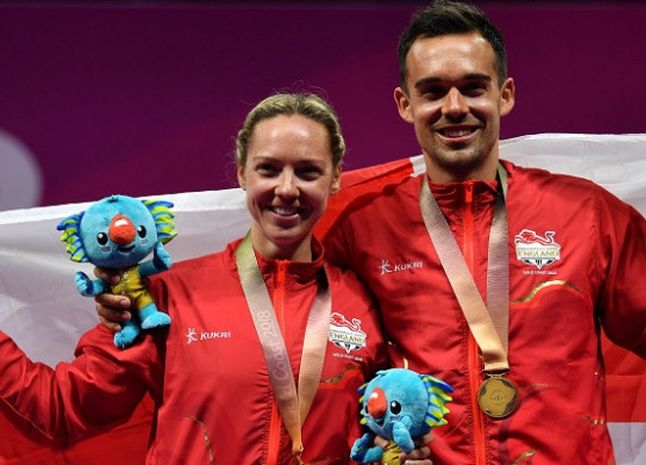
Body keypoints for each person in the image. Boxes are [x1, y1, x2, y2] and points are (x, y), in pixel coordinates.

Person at [316, 2, 646, 465]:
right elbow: (330, 371)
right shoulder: (363, 232)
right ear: (405, 103)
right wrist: (373, 444)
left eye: (473, 88)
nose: (454, 108)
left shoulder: (583, 214)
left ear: (505, 95)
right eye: (433, 91)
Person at [0, 93, 402, 465]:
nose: (286, 188)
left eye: (308, 171)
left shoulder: (363, 303)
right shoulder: (169, 298)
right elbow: (62, 408)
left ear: (335, 178)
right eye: (268, 169)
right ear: (242, 172)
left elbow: (385, 428)